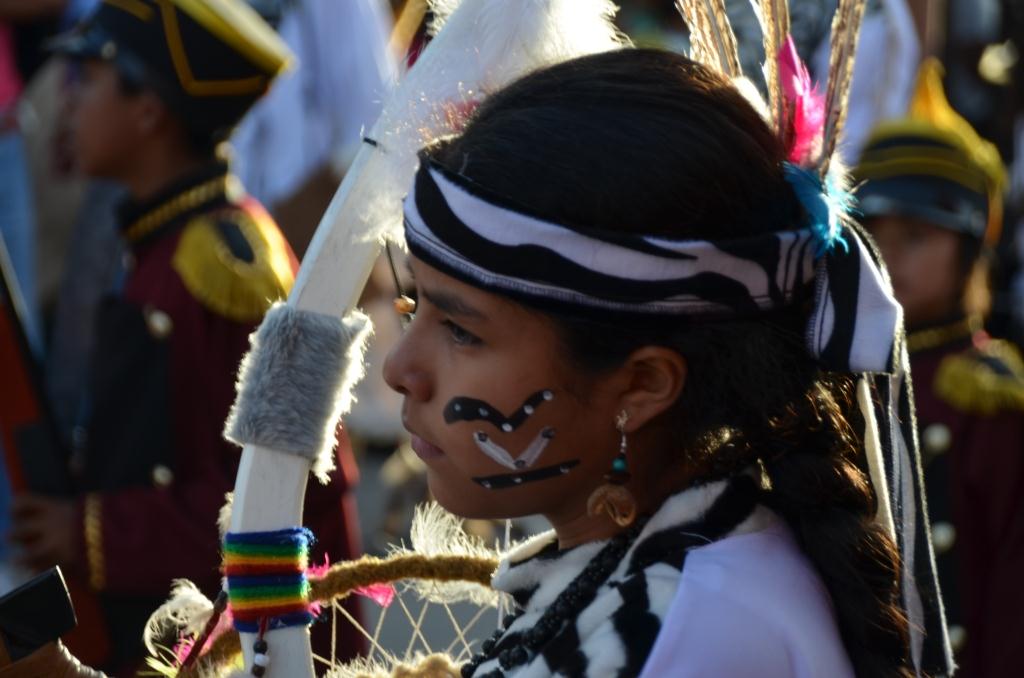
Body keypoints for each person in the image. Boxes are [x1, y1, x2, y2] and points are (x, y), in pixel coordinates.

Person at [381, 47, 946, 678]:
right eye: (413, 304)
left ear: (643, 385)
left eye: (461, 330)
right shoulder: (668, 575)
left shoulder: (695, 631)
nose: (399, 369)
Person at [7, 0, 361, 672]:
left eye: (89, 80)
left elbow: (272, 503)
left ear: (149, 112)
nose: (67, 102)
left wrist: (89, 531)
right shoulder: (163, 240)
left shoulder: (231, 273)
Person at [856, 59, 1024, 678]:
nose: (889, 257)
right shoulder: (841, 378)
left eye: (916, 236)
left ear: (971, 247)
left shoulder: (992, 398)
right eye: (874, 235)